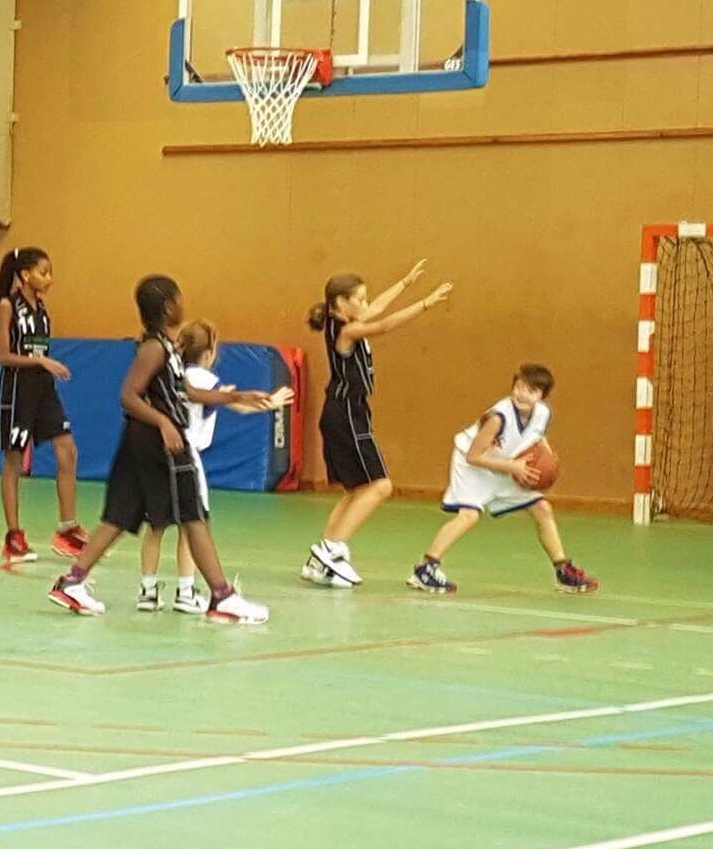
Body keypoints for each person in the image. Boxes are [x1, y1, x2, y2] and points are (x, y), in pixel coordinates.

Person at [47, 275, 276, 624]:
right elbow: (129, 395)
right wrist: (165, 423)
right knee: (193, 514)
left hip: (138, 442)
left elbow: (187, 392)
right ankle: (221, 596)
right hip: (158, 443)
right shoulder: (153, 348)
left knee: (118, 516)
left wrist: (236, 396)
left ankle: (72, 582)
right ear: (169, 307)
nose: (184, 303)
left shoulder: (168, 349)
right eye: (179, 298)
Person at [301, 261, 453, 587]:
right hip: (346, 412)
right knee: (381, 486)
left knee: (356, 490)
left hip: (347, 412)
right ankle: (332, 550)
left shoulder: (346, 320)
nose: (366, 304)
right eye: (360, 299)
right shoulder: (346, 330)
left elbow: (378, 308)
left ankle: (322, 555)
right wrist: (425, 304)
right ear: (341, 303)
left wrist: (405, 282)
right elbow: (384, 325)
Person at [134, 319, 291, 613]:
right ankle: (185, 591)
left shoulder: (169, 374)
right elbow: (238, 403)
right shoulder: (206, 380)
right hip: (186, 457)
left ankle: (147, 591)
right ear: (209, 352)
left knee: (155, 526)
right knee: (191, 526)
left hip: (156, 454)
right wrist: (271, 402)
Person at [410, 364, 598, 594]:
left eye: (531, 391)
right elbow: (473, 456)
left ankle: (563, 571)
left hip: (506, 464)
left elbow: (538, 436)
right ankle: (426, 568)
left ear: (542, 395)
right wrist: (512, 467)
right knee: (469, 515)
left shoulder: (543, 413)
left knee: (542, 508)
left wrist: (548, 457)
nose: (522, 394)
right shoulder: (498, 418)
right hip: (472, 466)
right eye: (519, 387)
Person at [0, 246, 86, 565]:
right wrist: (41, 361)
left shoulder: (42, 308)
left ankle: (67, 528)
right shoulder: (8, 306)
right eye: (43, 272)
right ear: (25, 274)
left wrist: (44, 365)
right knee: (14, 461)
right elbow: (3, 355)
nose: (49, 279)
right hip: (18, 390)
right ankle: (13, 537)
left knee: (67, 449)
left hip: (44, 390)